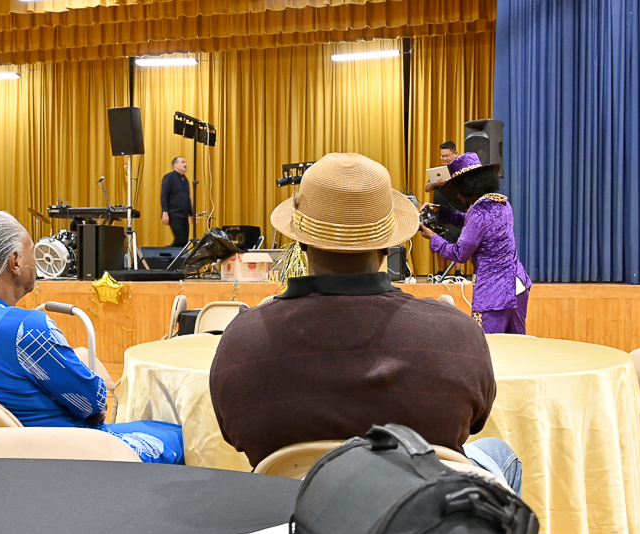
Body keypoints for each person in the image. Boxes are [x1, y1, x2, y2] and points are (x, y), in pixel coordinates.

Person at [209, 153, 522, 493]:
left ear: (301, 241)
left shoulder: (242, 339)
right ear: (389, 244)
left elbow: (232, 435)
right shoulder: (458, 334)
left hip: (290, 510)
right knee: (498, 453)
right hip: (424, 511)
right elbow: (475, 423)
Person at [0, 210, 184, 464]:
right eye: (31, 251)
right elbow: (93, 404)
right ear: (15, 262)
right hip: (64, 455)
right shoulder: (27, 327)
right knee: (180, 436)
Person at [420, 152, 533, 334]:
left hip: (494, 293)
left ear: (467, 187)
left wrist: (433, 238)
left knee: (487, 345)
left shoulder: (478, 212)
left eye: (458, 189)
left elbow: (459, 254)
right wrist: (442, 212)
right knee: (517, 345)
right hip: (518, 286)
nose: (457, 195)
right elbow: (473, 223)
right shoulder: (502, 204)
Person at [424, 141, 467, 276]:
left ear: (455, 153)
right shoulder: (439, 171)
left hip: (456, 211)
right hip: (439, 212)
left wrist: (450, 183)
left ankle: (458, 272)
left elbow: (466, 190)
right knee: (439, 238)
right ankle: (441, 271)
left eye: (447, 156)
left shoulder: (461, 170)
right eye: (442, 156)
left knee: (458, 241)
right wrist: (435, 182)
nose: (444, 159)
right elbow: (427, 188)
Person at [161, 156, 194, 247]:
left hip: (184, 215)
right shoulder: (169, 177)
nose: (185, 164)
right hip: (174, 213)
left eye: (185, 162)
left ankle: (175, 255)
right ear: (175, 165)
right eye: (182, 162)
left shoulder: (185, 180)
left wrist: (191, 214)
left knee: (184, 241)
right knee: (180, 238)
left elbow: (187, 198)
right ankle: (167, 252)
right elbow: (164, 195)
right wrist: (165, 212)